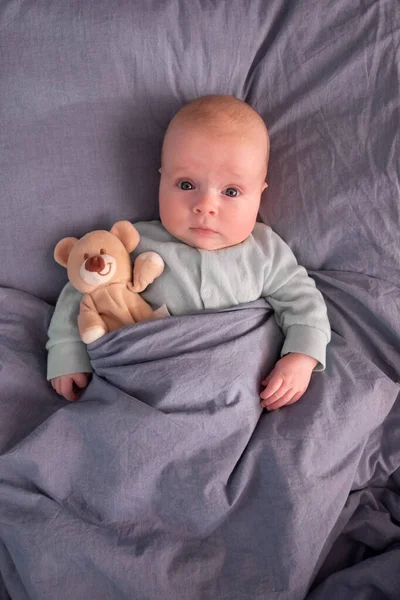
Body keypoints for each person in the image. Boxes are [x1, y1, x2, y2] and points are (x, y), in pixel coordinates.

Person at [47, 94, 331, 411]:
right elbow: (84, 288)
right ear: (161, 180)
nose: (205, 206)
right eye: (185, 185)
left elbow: (302, 299)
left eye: (231, 191)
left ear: (260, 194)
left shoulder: (265, 250)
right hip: (145, 388)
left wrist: (302, 356)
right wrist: (66, 350)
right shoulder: (135, 241)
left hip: (235, 393)